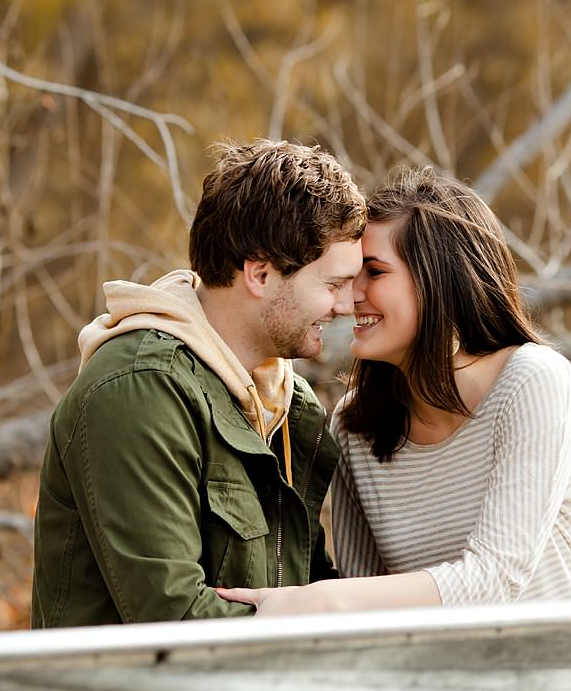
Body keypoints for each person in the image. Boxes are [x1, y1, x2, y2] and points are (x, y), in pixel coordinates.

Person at [218, 167, 571, 615]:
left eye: (374, 272)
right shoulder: (355, 426)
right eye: (350, 276)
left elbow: (495, 577)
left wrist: (321, 600)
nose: (350, 297)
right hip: (446, 682)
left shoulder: (534, 382)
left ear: (438, 280)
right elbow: (367, 596)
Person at [32, 139, 366, 626]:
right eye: (333, 285)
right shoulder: (138, 390)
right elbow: (175, 617)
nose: (345, 306)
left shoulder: (289, 407)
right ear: (260, 273)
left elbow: (305, 584)